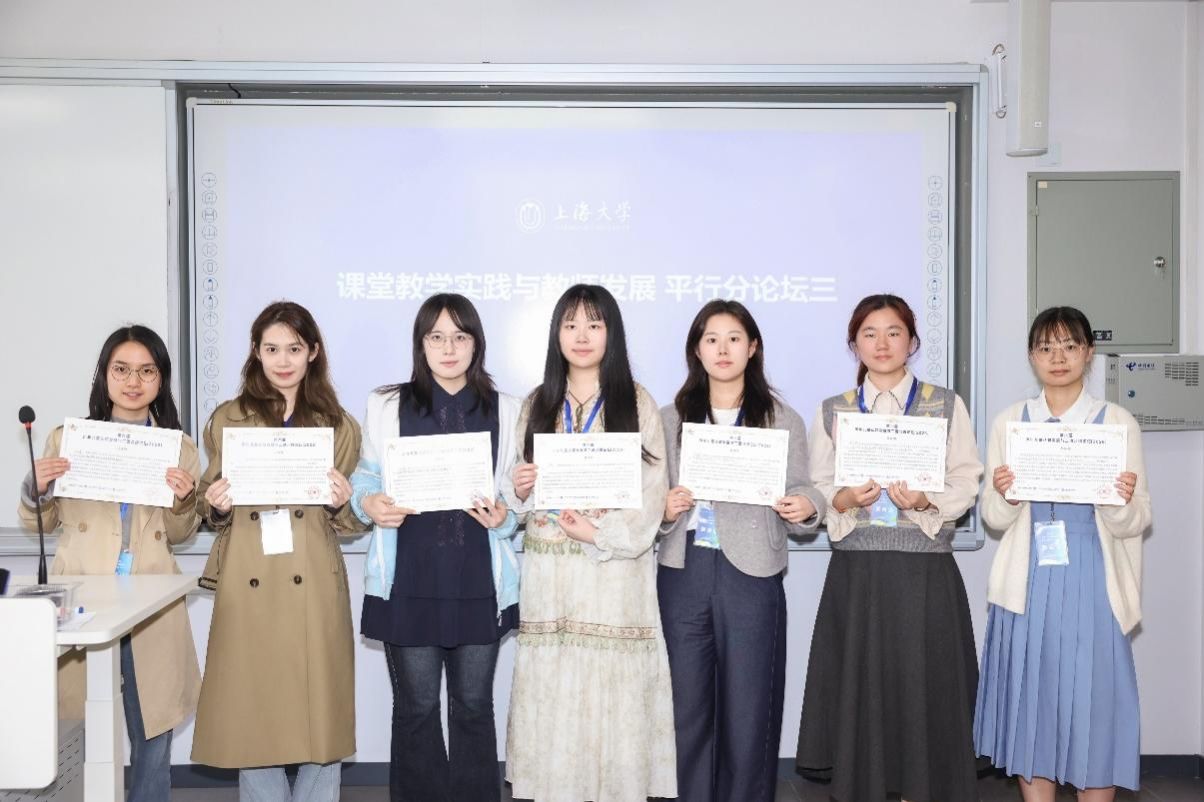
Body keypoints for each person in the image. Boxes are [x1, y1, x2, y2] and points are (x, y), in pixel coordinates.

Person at [796, 293, 984, 802]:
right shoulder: (834, 409)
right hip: (858, 572)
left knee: (924, 685)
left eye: (894, 332)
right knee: (863, 688)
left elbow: (966, 478)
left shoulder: (945, 404)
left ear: (912, 341)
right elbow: (817, 484)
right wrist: (842, 498)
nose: (882, 344)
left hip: (924, 572)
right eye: (870, 334)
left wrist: (927, 499)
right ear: (854, 344)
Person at [504, 284, 676, 802]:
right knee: (555, 687)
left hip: (614, 575)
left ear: (611, 334)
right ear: (556, 333)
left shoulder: (637, 402)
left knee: (614, 690)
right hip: (551, 576)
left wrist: (598, 533)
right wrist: (520, 488)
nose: (582, 336)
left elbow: (652, 495)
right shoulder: (537, 403)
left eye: (594, 325)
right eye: (571, 324)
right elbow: (517, 490)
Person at [18, 324, 203, 802]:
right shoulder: (67, 439)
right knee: (75, 730)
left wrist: (185, 500)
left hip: (150, 603)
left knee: (153, 732)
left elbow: (180, 534)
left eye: (147, 371)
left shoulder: (179, 448)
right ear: (104, 375)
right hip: (84, 602)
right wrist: (36, 489)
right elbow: (42, 520)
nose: (133, 382)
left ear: (161, 379)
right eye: (121, 369)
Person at [974, 306, 1151, 801]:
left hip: (1094, 575)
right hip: (1027, 578)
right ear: (1031, 356)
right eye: (1046, 347)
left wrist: (1117, 500)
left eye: (1070, 346)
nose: (1058, 357)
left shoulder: (1117, 422)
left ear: (1089, 353)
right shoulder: (1011, 422)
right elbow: (993, 517)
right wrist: (1006, 495)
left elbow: (1138, 518)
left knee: (1096, 705)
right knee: (1034, 706)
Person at [350, 293, 520, 802]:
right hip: (410, 581)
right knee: (417, 708)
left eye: (460, 337)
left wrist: (506, 516)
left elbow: (516, 495)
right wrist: (369, 502)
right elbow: (364, 477)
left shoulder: (507, 409)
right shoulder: (386, 404)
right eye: (436, 337)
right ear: (420, 344)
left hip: (478, 582)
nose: (449, 348)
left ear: (476, 344)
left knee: (473, 707)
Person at [192, 301, 364, 802]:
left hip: (313, 578)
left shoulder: (339, 424)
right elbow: (206, 498)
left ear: (313, 352)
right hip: (249, 576)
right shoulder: (227, 418)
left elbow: (349, 521)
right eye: (271, 349)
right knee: (254, 714)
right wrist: (215, 504)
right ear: (256, 352)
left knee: (321, 718)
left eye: (294, 348)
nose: (283, 360)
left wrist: (341, 503)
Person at [658, 299, 825, 802]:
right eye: (711, 339)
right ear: (696, 350)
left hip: (752, 570)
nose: (723, 349)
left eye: (734, 338)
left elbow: (806, 487)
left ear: (752, 348)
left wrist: (806, 505)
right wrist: (663, 508)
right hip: (684, 567)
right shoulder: (669, 418)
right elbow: (648, 498)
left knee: (750, 708)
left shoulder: (781, 418)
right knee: (685, 707)